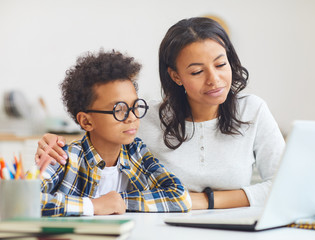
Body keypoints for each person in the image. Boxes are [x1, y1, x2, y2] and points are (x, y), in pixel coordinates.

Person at [36, 17, 285, 210]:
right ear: (175, 76)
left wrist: (203, 201)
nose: (214, 79)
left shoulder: (253, 110)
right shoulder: (144, 118)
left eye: (221, 64)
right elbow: (100, 132)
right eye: (197, 72)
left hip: (233, 225)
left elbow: (286, 187)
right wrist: (54, 144)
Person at [39, 49, 191, 217]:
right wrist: (93, 206)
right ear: (86, 121)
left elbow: (180, 197)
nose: (132, 117)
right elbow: (20, 201)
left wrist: (119, 201)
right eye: (119, 109)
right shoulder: (64, 158)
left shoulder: (136, 153)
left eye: (135, 106)